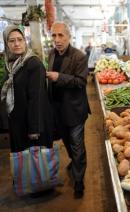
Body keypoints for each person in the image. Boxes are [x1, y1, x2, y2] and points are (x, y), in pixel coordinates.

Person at [47, 22, 90, 199]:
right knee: (67, 141)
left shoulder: (79, 57)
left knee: (77, 145)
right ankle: (75, 163)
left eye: (60, 35)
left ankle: (79, 181)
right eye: (54, 36)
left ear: (68, 36)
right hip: (57, 109)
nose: (57, 40)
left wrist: (59, 77)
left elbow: (81, 82)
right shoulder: (51, 54)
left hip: (74, 109)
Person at [1, 25, 53, 153]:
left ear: (25, 41)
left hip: (32, 125)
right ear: (6, 44)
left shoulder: (34, 64)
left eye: (20, 39)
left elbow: (37, 98)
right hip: (18, 122)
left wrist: (34, 128)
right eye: (12, 41)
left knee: (36, 163)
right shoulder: (10, 64)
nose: (17, 44)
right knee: (23, 163)